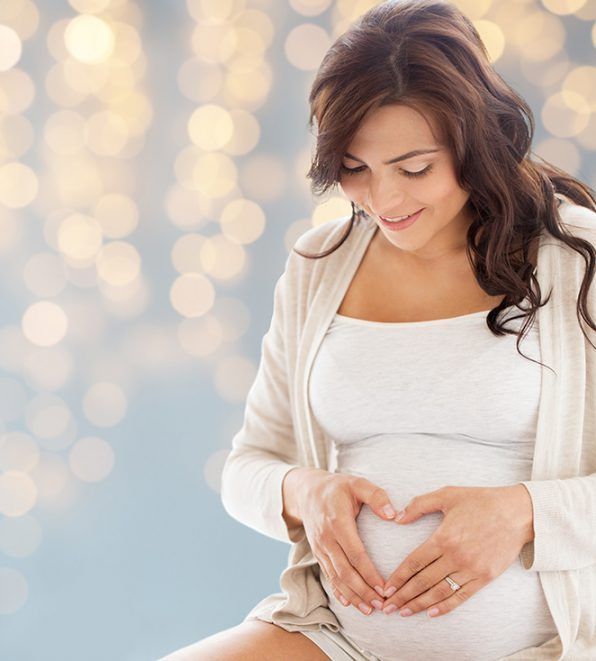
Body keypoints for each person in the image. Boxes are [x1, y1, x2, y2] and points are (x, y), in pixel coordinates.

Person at [161, 0, 596, 659]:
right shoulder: (320, 265)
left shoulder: (575, 259)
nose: (384, 201)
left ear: (475, 139)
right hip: (337, 638)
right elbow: (246, 467)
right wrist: (303, 491)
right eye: (355, 169)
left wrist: (525, 513)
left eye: (414, 168)